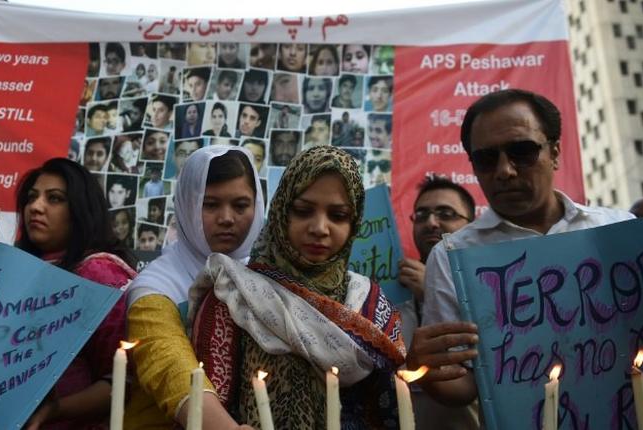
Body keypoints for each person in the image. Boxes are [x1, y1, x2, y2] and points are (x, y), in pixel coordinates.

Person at [410, 89, 634, 409]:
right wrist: (425, 369)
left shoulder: (618, 229)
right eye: (487, 159)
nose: (505, 171)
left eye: (522, 151)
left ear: (554, 152)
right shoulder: (451, 257)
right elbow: (462, 386)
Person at [190, 145, 405, 428]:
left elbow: (390, 409)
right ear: (281, 213)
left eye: (338, 216)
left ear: (354, 224)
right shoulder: (235, 296)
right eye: (303, 211)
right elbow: (208, 408)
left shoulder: (371, 304)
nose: (319, 228)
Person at [124, 146, 265, 430]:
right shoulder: (155, 287)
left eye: (240, 205)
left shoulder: (269, 277)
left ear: (258, 205)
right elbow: (167, 364)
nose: (227, 218)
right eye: (210, 204)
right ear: (187, 206)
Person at [15, 158, 137, 429]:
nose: (35, 207)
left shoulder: (101, 275)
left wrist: (54, 410)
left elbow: (123, 381)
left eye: (55, 198)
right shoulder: (15, 273)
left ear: (81, 210)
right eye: (31, 198)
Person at [397, 177, 479, 430]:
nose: (431, 223)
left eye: (446, 213)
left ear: (471, 225)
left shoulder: (486, 282)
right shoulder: (391, 287)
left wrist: (433, 292)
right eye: (421, 215)